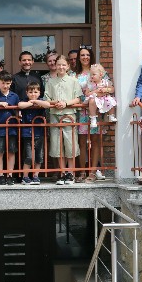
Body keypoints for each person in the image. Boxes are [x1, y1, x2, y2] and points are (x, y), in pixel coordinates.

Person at [41, 55, 83, 185]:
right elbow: (46, 99)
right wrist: (55, 103)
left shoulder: (73, 81)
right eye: (59, 64)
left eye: (63, 65)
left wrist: (66, 103)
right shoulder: (50, 81)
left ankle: (71, 173)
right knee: (57, 144)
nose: (61, 67)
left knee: (70, 144)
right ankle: (62, 172)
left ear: (68, 66)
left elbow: (78, 98)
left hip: (69, 114)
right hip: (55, 115)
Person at [74, 46, 108, 182]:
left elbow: (110, 87)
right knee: (81, 142)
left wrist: (97, 92)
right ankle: (82, 171)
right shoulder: (75, 75)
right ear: (78, 58)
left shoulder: (98, 71)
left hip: (96, 110)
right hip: (82, 111)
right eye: (82, 55)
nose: (85, 57)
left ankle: (93, 172)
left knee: (95, 141)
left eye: (87, 55)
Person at [0, 72, 20, 185]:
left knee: (11, 151)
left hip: (12, 128)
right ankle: (1, 175)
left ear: (11, 83)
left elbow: (18, 112)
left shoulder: (14, 96)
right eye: (3, 83)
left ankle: (10, 175)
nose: (5, 86)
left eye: (8, 83)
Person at [17, 82, 46, 185]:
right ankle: (25, 176)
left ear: (39, 93)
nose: (33, 94)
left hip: (39, 133)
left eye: (35, 92)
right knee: (29, 156)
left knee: (39, 156)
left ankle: (35, 176)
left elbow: (47, 104)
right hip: (27, 133)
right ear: (26, 93)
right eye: (30, 92)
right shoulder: (25, 101)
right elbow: (20, 105)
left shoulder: (41, 101)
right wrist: (31, 103)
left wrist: (37, 101)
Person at [85, 63, 118, 129]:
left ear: (100, 75)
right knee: (91, 101)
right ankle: (93, 118)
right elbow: (87, 93)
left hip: (104, 98)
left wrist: (105, 89)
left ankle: (111, 115)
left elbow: (112, 89)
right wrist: (96, 91)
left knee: (111, 100)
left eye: (94, 74)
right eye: (91, 74)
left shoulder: (105, 82)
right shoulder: (91, 84)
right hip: (95, 98)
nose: (92, 76)